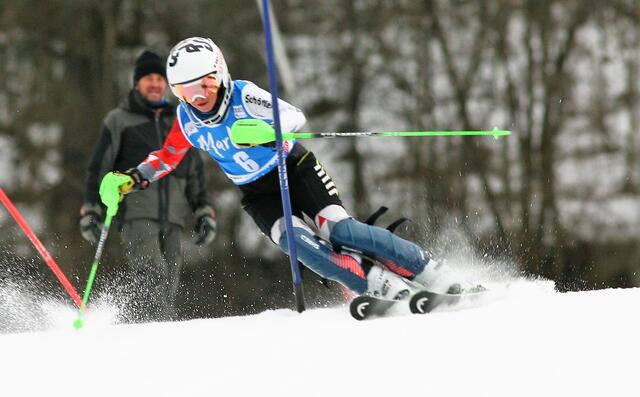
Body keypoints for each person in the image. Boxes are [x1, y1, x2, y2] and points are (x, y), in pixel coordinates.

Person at [99, 37, 476, 304]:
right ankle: (373, 284)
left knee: (340, 230)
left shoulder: (244, 95)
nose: (199, 99)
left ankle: (427, 270)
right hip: (259, 194)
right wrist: (131, 179)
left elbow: (293, 115)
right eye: (186, 92)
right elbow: (168, 156)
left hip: (293, 169)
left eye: (206, 86)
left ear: (220, 73)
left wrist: (265, 132)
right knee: (299, 245)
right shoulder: (188, 119)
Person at [80, 49, 216, 322]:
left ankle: (141, 327)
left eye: (159, 78)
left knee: (169, 282)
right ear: (136, 83)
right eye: (147, 78)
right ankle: (153, 332)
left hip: (174, 215)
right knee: (152, 273)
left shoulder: (181, 119)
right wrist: (91, 208)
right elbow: (100, 166)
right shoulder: (119, 120)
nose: (154, 83)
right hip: (137, 211)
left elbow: (194, 171)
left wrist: (203, 210)